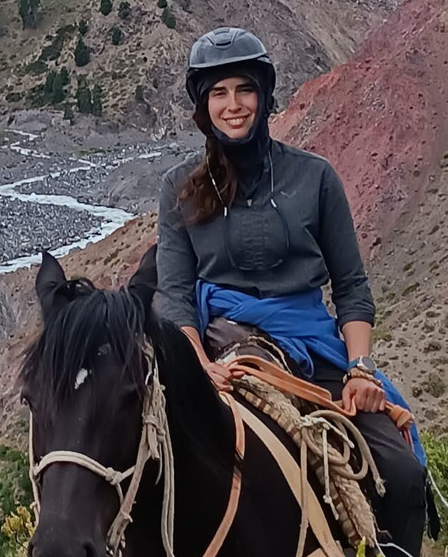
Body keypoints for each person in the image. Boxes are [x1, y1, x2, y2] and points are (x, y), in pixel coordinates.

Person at [155, 27, 431, 556]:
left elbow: (351, 288)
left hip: (313, 351)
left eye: (244, 89)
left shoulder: (315, 177)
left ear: (264, 95)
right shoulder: (179, 188)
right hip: (221, 349)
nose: (233, 105)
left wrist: (360, 370)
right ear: (201, 105)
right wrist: (198, 365)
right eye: (218, 93)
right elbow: (173, 296)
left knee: (402, 475)